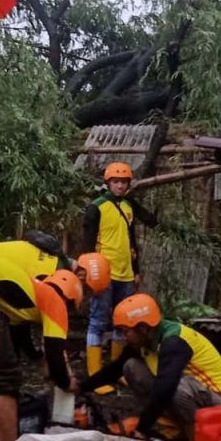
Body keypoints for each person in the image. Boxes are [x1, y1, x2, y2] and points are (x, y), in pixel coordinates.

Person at [0, 249, 111, 441]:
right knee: (5, 376)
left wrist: (39, 360)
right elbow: (55, 353)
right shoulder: (55, 301)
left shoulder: (37, 288)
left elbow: (23, 336)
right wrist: (67, 382)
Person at [74, 293, 221, 441]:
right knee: (130, 367)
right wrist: (81, 387)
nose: (123, 337)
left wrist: (142, 428)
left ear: (143, 328)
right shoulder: (144, 340)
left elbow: (164, 389)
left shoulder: (174, 342)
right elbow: (115, 369)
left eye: (126, 331)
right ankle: (174, 430)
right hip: (196, 400)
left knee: (175, 388)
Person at [82, 161, 157, 393]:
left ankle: (118, 372)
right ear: (108, 183)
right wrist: (89, 273)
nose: (120, 186)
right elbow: (86, 244)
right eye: (116, 182)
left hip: (125, 273)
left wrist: (136, 271)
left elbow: (133, 241)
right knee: (98, 321)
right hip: (103, 273)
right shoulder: (97, 207)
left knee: (122, 323)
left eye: (124, 182)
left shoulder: (129, 205)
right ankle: (95, 375)